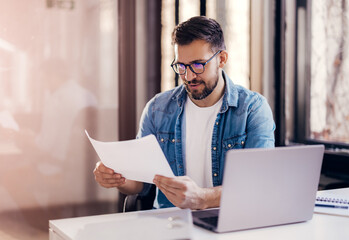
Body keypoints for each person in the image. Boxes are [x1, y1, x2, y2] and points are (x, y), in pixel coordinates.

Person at [93, 16, 275, 210]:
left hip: (230, 223)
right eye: (181, 66)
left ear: (221, 59)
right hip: (170, 223)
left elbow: (258, 184)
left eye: (198, 65)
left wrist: (202, 198)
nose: (188, 76)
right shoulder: (157, 109)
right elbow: (142, 183)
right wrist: (117, 178)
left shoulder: (252, 109)